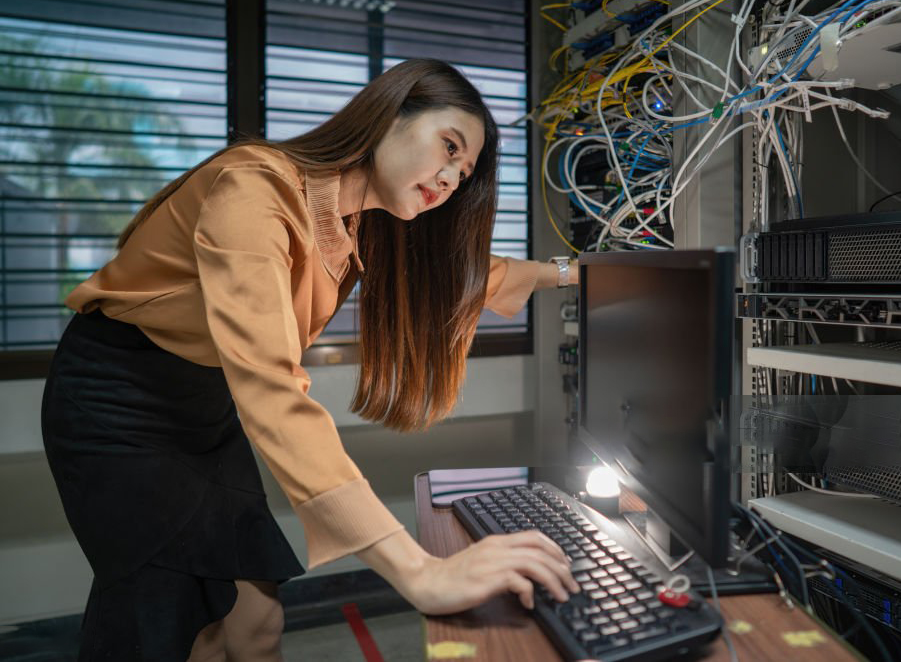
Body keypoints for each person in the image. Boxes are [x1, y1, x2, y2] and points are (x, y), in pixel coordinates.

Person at [41, 58, 580, 662]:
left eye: (463, 170)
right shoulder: (255, 190)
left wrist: (579, 273)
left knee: (255, 623)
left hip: (206, 410)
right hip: (118, 404)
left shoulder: (360, 220)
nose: (451, 176)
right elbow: (270, 385)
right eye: (448, 147)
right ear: (389, 116)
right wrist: (419, 572)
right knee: (161, 628)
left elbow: (462, 276)